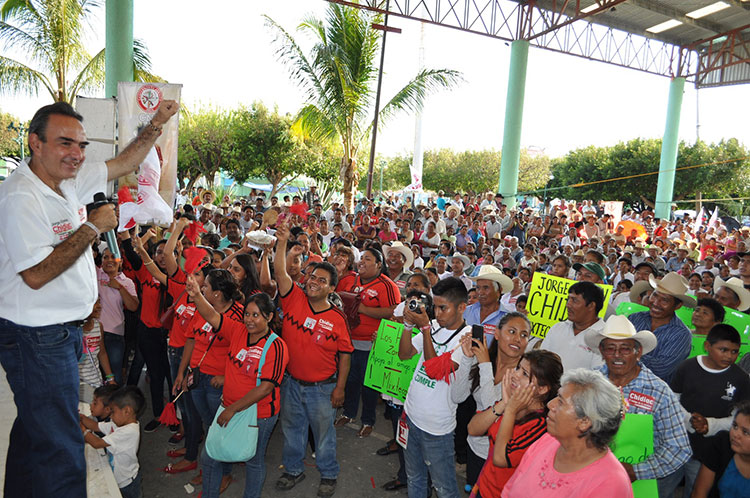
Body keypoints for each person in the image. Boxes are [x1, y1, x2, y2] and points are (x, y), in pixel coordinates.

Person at [0, 99, 177, 496]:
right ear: (35, 142)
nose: (76, 154)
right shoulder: (20, 198)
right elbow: (36, 273)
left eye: (81, 145)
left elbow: (126, 161)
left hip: (58, 334)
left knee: (33, 430)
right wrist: (93, 228)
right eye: (65, 143)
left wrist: (157, 123)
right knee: (62, 447)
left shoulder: (66, 180)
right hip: (37, 337)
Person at [273, 221, 353, 497]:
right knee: (293, 431)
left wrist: (340, 388)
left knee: (324, 436)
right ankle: (293, 470)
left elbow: (345, 356)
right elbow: (280, 272)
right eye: (313, 277)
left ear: (332, 288)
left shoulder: (337, 319)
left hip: (323, 389)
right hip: (291, 383)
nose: (314, 282)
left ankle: (328, 474)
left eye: (322, 280)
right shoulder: (293, 297)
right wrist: (282, 242)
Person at [585, 315, 692, 497]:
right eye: (610, 348)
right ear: (602, 352)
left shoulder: (658, 391)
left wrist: (636, 470)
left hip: (638, 487)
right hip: (589, 478)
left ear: (638, 352)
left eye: (625, 349)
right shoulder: (589, 383)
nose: (617, 355)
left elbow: (679, 449)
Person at [200, 293, 289, 498]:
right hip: (229, 407)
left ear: (268, 317)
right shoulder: (238, 331)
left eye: (256, 315)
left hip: (259, 414)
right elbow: (212, 316)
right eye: (247, 314)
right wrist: (196, 295)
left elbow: (266, 387)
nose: (248, 319)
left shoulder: (276, 346)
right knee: (210, 456)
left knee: (253, 460)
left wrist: (232, 409)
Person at [501, 368, 632, 497]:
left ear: (584, 421)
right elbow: (510, 491)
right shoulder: (547, 441)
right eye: (557, 396)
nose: (550, 405)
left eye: (561, 402)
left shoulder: (610, 483)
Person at [398, 277, 473, 498]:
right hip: (411, 417)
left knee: (445, 489)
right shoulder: (433, 328)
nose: (437, 313)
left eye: (443, 308)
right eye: (436, 307)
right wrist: (407, 325)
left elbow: (433, 371)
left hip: (437, 429)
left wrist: (424, 328)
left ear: (461, 307)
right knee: (415, 478)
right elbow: (404, 354)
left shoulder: (467, 339)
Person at [467, 350, 563, 498]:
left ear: (542, 389)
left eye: (524, 374)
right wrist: (504, 404)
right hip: (483, 487)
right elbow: (472, 429)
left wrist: (510, 410)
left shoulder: (540, 426)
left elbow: (500, 459)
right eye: (518, 368)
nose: (515, 374)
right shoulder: (510, 401)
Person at [670, 324, 750, 495]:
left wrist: (709, 424)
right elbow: (672, 400)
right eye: (723, 350)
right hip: (675, 442)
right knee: (660, 489)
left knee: (695, 488)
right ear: (707, 346)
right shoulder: (687, 367)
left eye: (734, 352)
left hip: (706, 451)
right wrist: (689, 420)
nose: (729, 356)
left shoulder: (741, 379)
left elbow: (739, 418)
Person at [627, 272, 695, 383]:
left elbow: (660, 369)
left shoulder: (681, 334)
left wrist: (626, 352)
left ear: (678, 306)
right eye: (654, 295)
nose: (656, 303)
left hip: (652, 393)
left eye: (665, 300)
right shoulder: (635, 318)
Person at [79, 386, 147, 498]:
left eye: (113, 412)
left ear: (127, 411)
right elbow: (96, 426)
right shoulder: (119, 423)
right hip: (118, 477)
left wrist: (83, 430)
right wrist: (81, 418)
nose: (110, 416)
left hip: (127, 483)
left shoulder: (129, 432)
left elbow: (97, 443)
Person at [97, 245, 139, 385]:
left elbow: (133, 306)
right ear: (101, 261)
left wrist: (119, 287)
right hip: (94, 333)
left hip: (114, 334)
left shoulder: (127, 282)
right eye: (105, 257)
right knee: (95, 377)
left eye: (113, 257)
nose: (109, 260)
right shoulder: (95, 275)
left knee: (115, 378)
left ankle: (116, 406)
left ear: (120, 261)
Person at [539, 282, 605, 370]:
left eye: (574, 300)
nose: (568, 305)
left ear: (591, 306)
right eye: (568, 299)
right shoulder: (557, 328)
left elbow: (598, 378)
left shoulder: (604, 338)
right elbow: (540, 363)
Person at [691, 399, 750, 498]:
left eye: (745, 432)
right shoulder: (721, 444)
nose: (736, 434)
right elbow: (699, 492)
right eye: (735, 426)